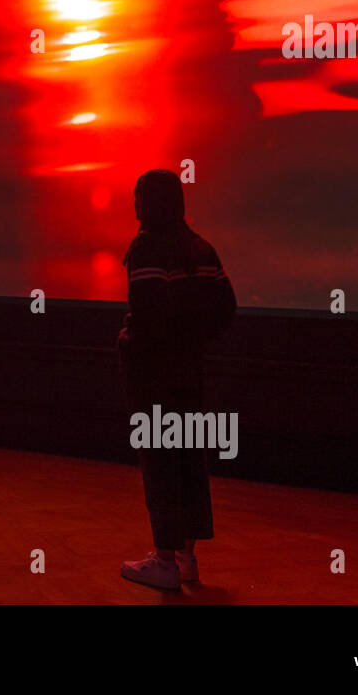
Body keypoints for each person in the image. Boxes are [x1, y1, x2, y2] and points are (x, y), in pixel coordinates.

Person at [116, 169, 236, 590]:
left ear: (147, 202)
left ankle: (163, 560)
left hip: (154, 376)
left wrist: (132, 338)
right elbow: (226, 308)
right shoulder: (202, 248)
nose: (134, 205)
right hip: (190, 372)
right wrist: (192, 339)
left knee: (159, 462)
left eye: (137, 197)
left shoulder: (148, 248)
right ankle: (187, 557)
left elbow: (149, 314)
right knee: (189, 458)